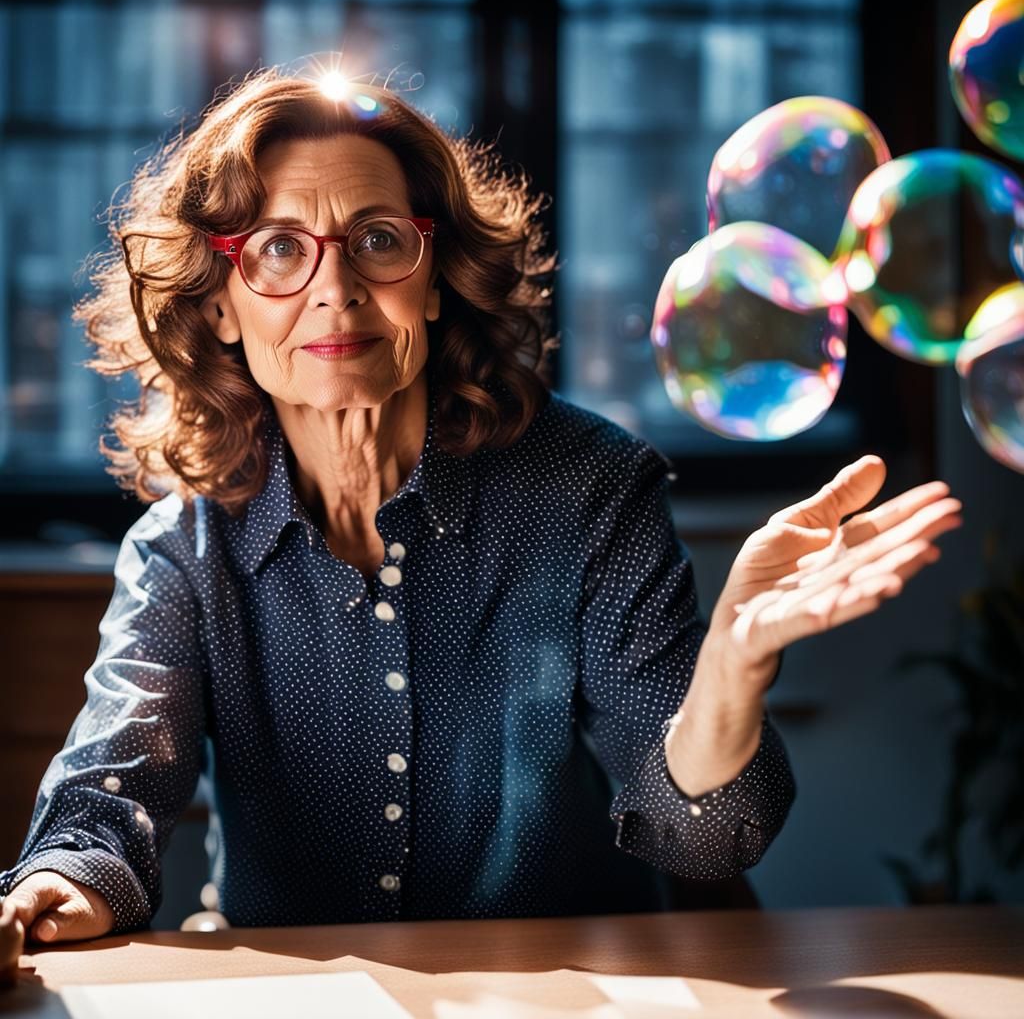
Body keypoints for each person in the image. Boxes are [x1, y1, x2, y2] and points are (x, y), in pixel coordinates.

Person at [0, 68, 961, 945]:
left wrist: (735, 663)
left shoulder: (587, 489)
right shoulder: (183, 548)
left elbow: (706, 841)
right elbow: (109, 796)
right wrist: (55, 886)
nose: (334, 289)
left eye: (378, 241)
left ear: (435, 278)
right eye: (279, 250)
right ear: (218, 304)